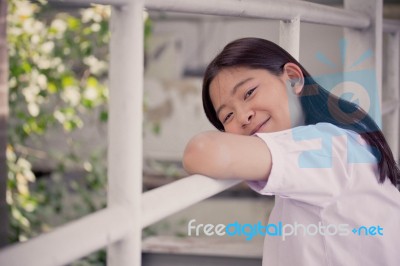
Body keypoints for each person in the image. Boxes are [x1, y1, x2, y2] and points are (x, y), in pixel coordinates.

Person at [183, 37, 400, 266]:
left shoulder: (322, 147)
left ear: (294, 79)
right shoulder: (344, 137)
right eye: (227, 116)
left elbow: (203, 151)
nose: (243, 117)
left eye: (249, 93)